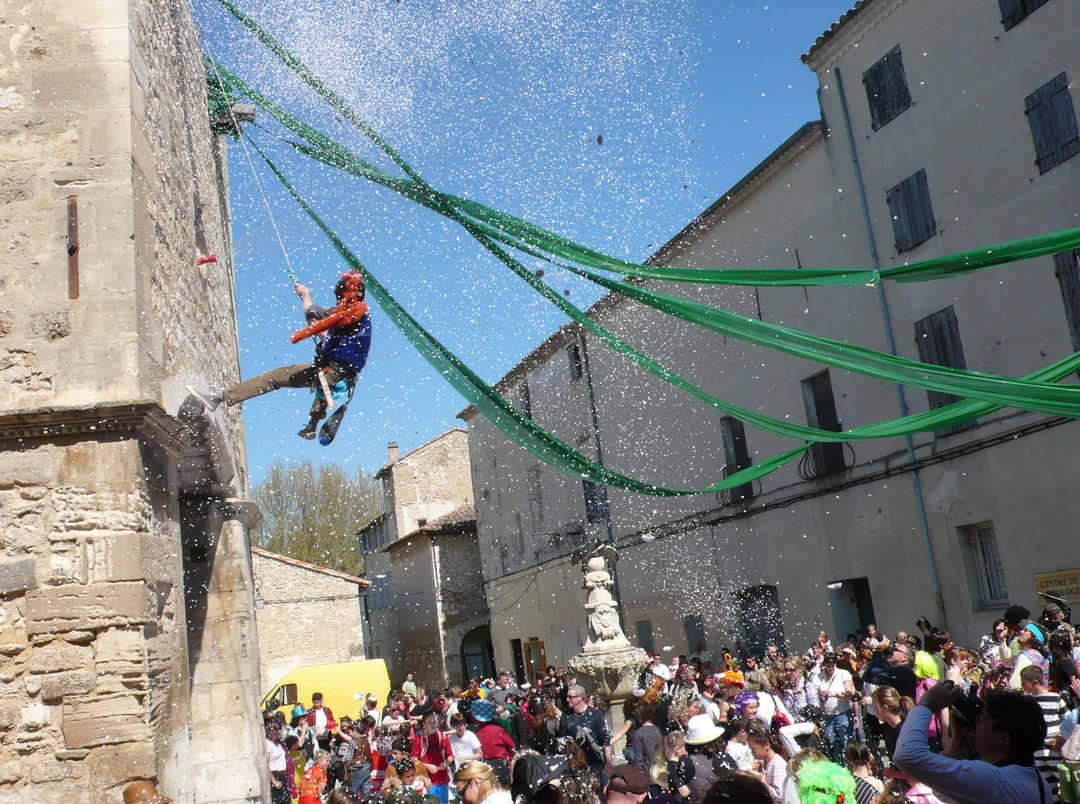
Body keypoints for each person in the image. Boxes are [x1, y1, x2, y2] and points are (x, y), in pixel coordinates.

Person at [204, 271, 372, 439]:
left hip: (332, 373)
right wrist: (308, 301)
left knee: (276, 378)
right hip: (338, 374)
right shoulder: (357, 318)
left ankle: (219, 397)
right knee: (306, 379)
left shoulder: (354, 312)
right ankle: (313, 424)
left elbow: (314, 312)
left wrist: (308, 304)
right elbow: (323, 320)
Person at [893, 682, 1052, 802]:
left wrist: (926, 705)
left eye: (982, 719)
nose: (976, 724)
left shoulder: (994, 780)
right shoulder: (1031, 779)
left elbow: (906, 756)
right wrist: (958, 739)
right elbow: (944, 794)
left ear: (1003, 736)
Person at [1020, 663, 1068, 798]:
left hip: (1053, 748)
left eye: (1024, 682)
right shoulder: (1026, 702)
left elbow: (1068, 720)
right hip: (1037, 751)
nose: (1022, 686)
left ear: (1034, 682)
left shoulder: (1055, 698)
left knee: (1062, 780)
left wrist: (1062, 738)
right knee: (1046, 784)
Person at [556, 684, 611, 786]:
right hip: (575, 765)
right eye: (567, 697)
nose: (567, 700)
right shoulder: (566, 716)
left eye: (570, 697)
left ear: (580, 697)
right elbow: (561, 740)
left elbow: (605, 739)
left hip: (595, 763)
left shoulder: (595, 715)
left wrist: (608, 762)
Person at [816, 652, 855, 764]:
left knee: (847, 742)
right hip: (827, 716)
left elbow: (849, 693)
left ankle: (852, 767)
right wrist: (821, 694)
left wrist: (839, 695)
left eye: (832, 665)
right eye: (828, 665)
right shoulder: (820, 677)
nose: (830, 667)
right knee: (833, 745)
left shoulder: (843, 673)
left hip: (842, 713)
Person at [414, 710, 454, 804]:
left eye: (434, 722)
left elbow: (450, 755)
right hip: (426, 780)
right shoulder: (419, 740)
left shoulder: (443, 737)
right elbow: (414, 760)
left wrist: (446, 763)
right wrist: (428, 766)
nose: (433, 725)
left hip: (442, 778)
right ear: (424, 724)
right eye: (430, 722)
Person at [747, 726, 786, 803]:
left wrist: (764, 784)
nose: (752, 752)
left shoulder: (778, 764)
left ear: (767, 745)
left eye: (754, 749)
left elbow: (780, 796)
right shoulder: (765, 762)